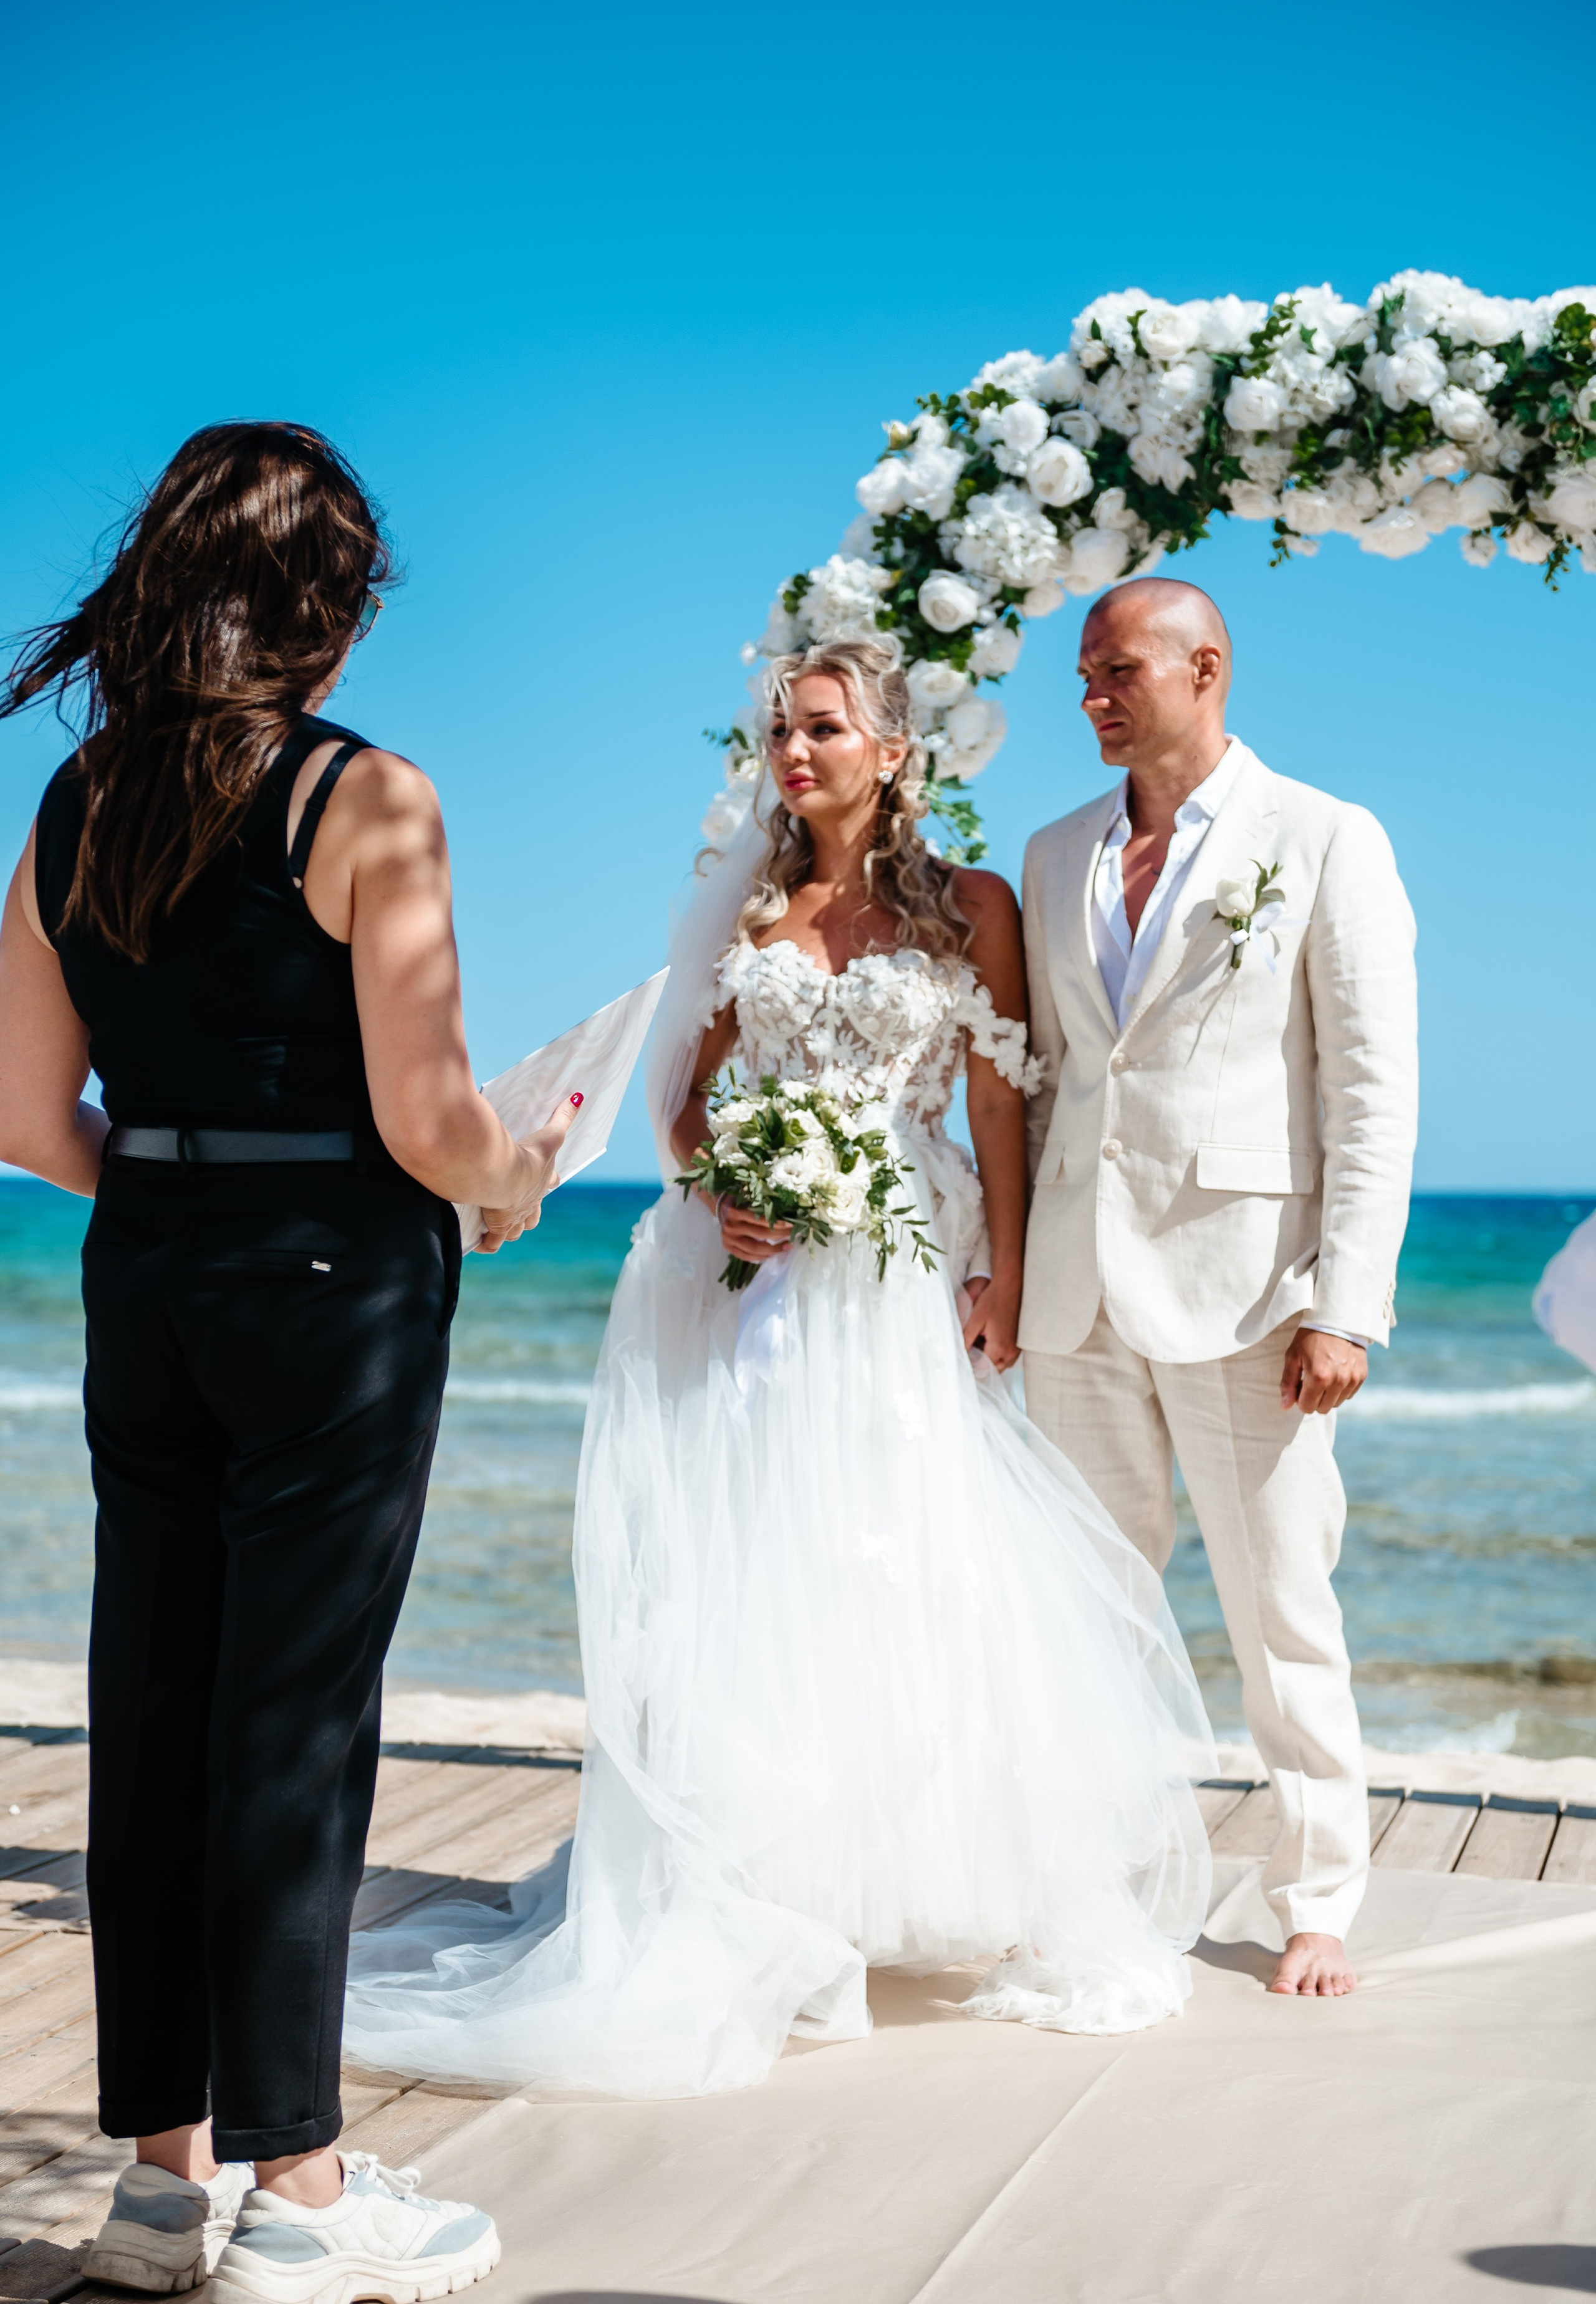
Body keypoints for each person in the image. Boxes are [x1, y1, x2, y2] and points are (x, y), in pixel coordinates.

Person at [341, 635, 1216, 2101]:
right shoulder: (749, 910)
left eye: (819, 727)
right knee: (756, 1557)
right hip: (753, 1282)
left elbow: (997, 1094)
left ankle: (909, 1867)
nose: (791, 751)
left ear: (890, 746)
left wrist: (1000, 1268)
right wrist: (723, 1179)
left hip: (899, 1271)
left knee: (899, 1547)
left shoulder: (970, 908)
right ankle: (768, 1885)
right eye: (776, 729)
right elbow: (681, 1104)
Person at [0, 423, 576, 2304]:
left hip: (144, 1275)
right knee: (296, 1728)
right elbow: (431, 1120)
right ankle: (313, 2200)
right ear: (327, 606)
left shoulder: (77, 798)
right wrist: (523, 1173)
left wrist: (173, 1193)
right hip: (334, 1290)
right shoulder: (368, 796)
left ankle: (164, 2190)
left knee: (153, 1707)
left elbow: (24, 1112)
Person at [1019, 578, 1418, 2000]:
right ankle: (1113, 1874)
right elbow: (1062, 1075)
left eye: (1117, 669)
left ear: (1205, 668)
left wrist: (1344, 1300)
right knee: (1094, 1612)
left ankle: (1315, 1896)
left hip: (1250, 1289)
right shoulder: (1052, 846)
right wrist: (1006, 1272)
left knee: (1278, 1608)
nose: (1092, 696)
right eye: (1081, 676)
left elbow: (1367, 1089)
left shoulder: (1321, 836)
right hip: (1075, 1289)